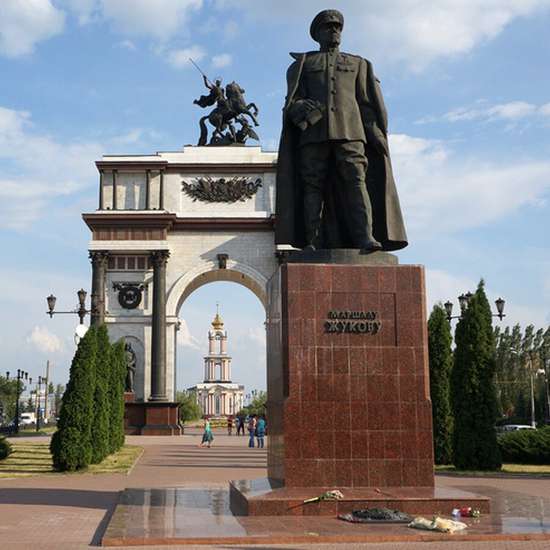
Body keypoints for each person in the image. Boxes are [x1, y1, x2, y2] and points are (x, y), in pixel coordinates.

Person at [275, 9, 408, 252]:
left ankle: (365, 237)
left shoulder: (359, 64)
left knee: (357, 183)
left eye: (337, 27)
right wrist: (299, 107)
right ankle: (312, 241)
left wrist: (376, 133)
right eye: (328, 27)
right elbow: (291, 103)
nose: (334, 30)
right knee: (312, 187)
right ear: (317, 34)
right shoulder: (303, 65)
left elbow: (366, 104)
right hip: (313, 136)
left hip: (351, 133)